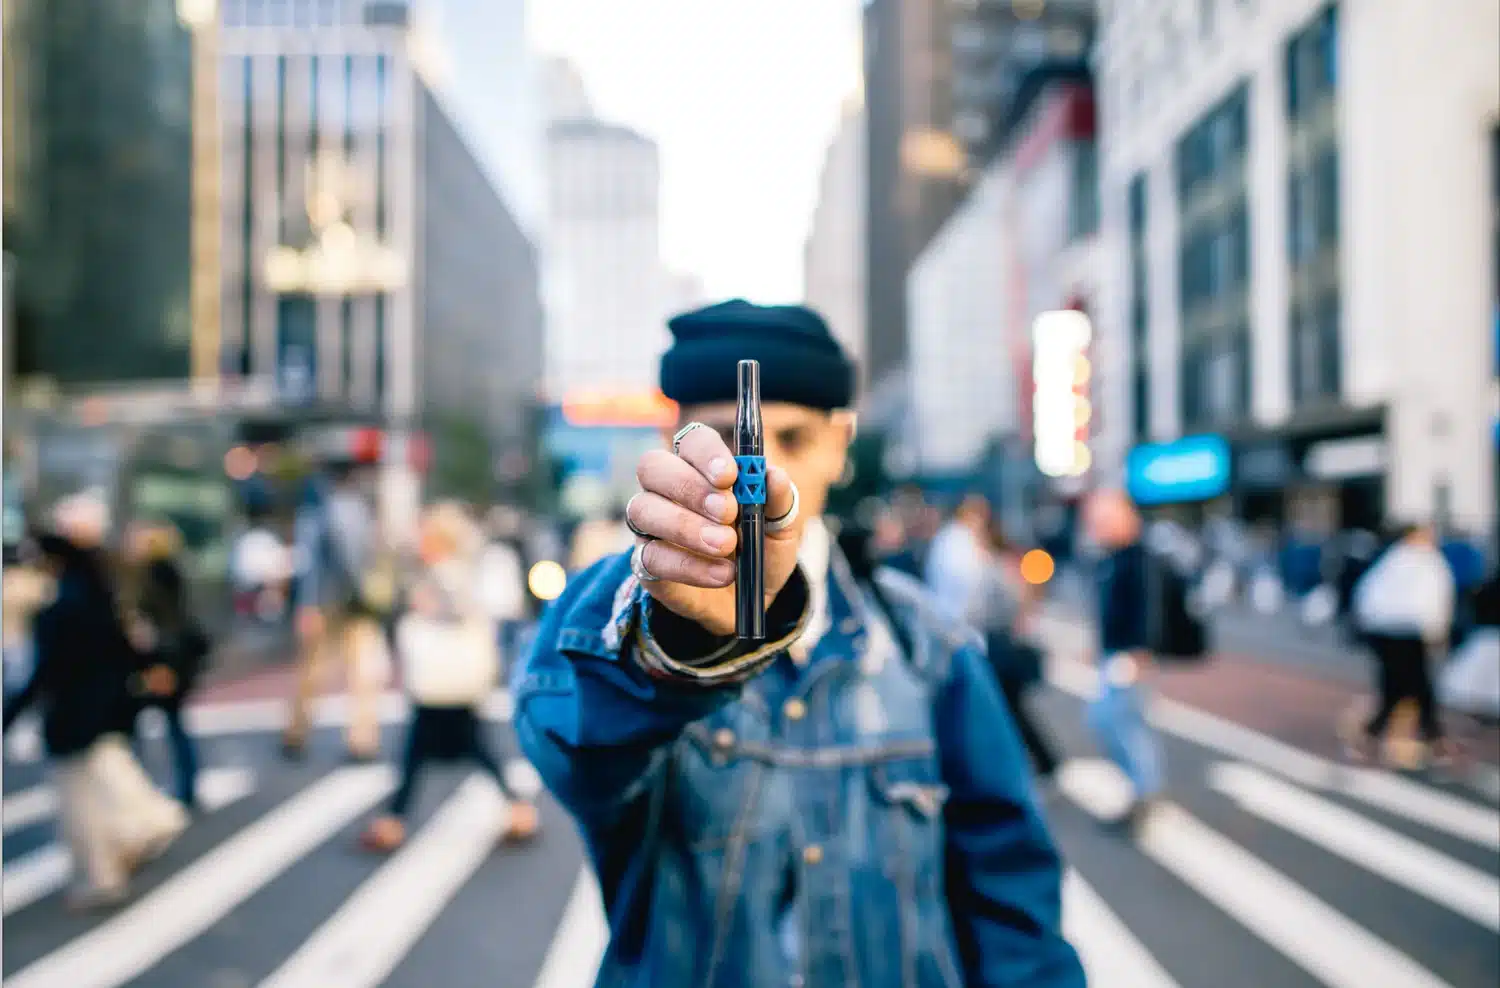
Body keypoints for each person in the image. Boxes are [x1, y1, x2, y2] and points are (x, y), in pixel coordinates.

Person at [514, 300, 1083, 987]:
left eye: (794, 439)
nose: (766, 472)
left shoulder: (929, 650)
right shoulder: (623, 610)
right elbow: (567, 737)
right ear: (677, 442)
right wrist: (677, 644)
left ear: (841, 444)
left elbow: (1011, 893)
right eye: (728, 438)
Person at [3, 493, 186, 909]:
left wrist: (9, 716)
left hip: (74, 720)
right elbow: (125, 642)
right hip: (102, 712)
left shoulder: (62, 604)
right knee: (99, 793)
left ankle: (107, 869)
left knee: (83, 805)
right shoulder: (97, 588)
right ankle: (110, 865)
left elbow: (44, 671)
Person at [360, 503, 539, 851]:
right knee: (463, 744)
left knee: (427, 747)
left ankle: (394, 819)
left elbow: (460, 612)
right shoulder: (452, 572)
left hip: (442, 679)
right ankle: (517, 807)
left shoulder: (448, 575)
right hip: (449, 680)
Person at [285, 461, 386, 761]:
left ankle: (297, 734)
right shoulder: (364, 512)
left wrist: (307, 605)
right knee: (364, 674)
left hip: (328, 602)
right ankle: (362, 740)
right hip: (359, 603)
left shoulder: (318, 512)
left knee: (315, 673)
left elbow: (309, 562)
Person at [1084, 489, 1166, 831]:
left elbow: (1149, 608)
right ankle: (1142, 790)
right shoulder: (1114, 556)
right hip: (1115, 654)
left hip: (1128, 657)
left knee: (1123, 723)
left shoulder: (1139, 557)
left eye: (1103, 520)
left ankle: (1145, 793)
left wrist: (1140, 653)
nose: (1096, 528)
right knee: (1111, 721)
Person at [1347, 522, 1459, 765]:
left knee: (1402, 686)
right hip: (1409, 633)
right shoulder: (1428, 562)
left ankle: (1378, 737)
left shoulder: (1392, 560)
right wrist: (1437, 632)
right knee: (1413, 687)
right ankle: (1431, 739)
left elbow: (1368, 594)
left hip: (1389, 632)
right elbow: (1438, 600)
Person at [122, 521, 210, 808]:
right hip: (169, 661)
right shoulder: (171, 573)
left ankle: (141, 790)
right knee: (171, 726)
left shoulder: (154, 577)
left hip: (161, 662)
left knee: (144, 728)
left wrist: (162, 664)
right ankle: (185, 788)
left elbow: (166, 624)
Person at [978, 523, 1060, 781]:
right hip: (1007, 646)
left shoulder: (1001, 568)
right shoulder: (1008, 566)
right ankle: (1043, 761)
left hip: (1006, 648)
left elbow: (1013, 608)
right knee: (1013, 710)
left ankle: (1045, 762)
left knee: (1013, 710)